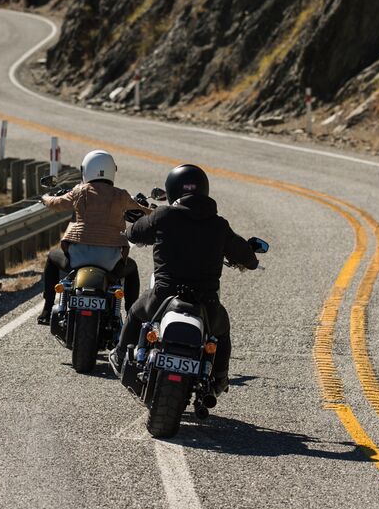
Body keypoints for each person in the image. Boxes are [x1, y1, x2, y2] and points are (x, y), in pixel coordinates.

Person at [108, 164, 257, 394]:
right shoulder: (219, 225)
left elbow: (135, 232)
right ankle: (219, 379)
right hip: (205, 301)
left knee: (136, 313)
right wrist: (251, 260)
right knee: (222, 330)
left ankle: (119, 356)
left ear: (173, 189)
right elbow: (247, 257)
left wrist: (128, 232)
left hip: (164, 294)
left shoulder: (163, 215)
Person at [37, 150, 147, 324]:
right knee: (131, 269)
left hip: (77, 259)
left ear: (85, 170)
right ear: (113, 170)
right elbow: (144, 211)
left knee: (52, 257)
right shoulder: (121, 195)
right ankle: (131, 319)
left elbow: (56, 203)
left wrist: (45, 197)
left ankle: (47, 308)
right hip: (111, 263)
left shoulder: (79, 191)